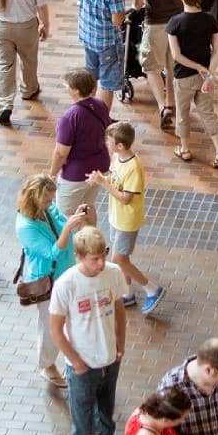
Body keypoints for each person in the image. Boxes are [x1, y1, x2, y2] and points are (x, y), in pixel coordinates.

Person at [49, 226, 126, 435]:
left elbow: (119, 309)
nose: (101, 264)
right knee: (83, 425)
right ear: (79, 257)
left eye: (103, 256)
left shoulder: (113, 273)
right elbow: (55, 329)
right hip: (82, 366)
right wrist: (76, 362)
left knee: (106, 418)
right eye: (94, 259)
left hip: (110, 360)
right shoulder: (66, 284)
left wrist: (120, 344)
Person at [88, 121, 164, 315]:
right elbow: (114, 182)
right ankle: (127, 293)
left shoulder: (133, 167)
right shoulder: (116, 157)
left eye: (109, 140)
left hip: (127, 220)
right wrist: (102, 179)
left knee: (119, 258)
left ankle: (152, 289)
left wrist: (103, 185)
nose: (106, 142)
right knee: (123, 257)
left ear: (120, 145)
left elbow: (126, 198)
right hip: (116, 217)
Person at [15, 173, 81, 388]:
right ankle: (47, 365)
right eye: (47, 200)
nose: (51, 203)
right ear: (34, 198)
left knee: (70, 319)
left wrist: (73, 219)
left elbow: (61, 222)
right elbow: (53, 252)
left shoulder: (47, 210)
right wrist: (70, 227)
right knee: (50, 325)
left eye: (52, 199)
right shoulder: (26, 226)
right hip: (48, 282)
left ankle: (71, 357)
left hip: (67, 273)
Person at [130, 0, 191, 129]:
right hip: (179, 23)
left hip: (155, 24)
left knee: (152, 67)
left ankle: (162, 106)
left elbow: (137, 4)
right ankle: (172, 103)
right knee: (172, 66)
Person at [167, 0, 218, 169]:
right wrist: (207, 73)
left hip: (183, 78)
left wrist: (196, 67)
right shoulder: (210, 19)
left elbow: (177, 55)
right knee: (208, 114)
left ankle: (184, 149)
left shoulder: (174, 23)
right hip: (204, 79)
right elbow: (217, 50)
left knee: (183, 114)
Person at [48, 68, 111, 218]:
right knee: (87, 207)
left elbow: (60, 153)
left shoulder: (70, 117)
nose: (66, 88)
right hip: (100, 168)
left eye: (68, 86)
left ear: (76, 91)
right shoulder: (100, 104)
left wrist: (52, 174)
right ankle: (91, 239)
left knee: (64, 215)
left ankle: (71, 240)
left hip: (76, 175)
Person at [78, 0, 128, 110]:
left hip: (87, 35)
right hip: (106, 42)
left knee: (91, 77)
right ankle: (102, 119)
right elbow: (117, 21)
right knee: (107, 83)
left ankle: (87, 113)